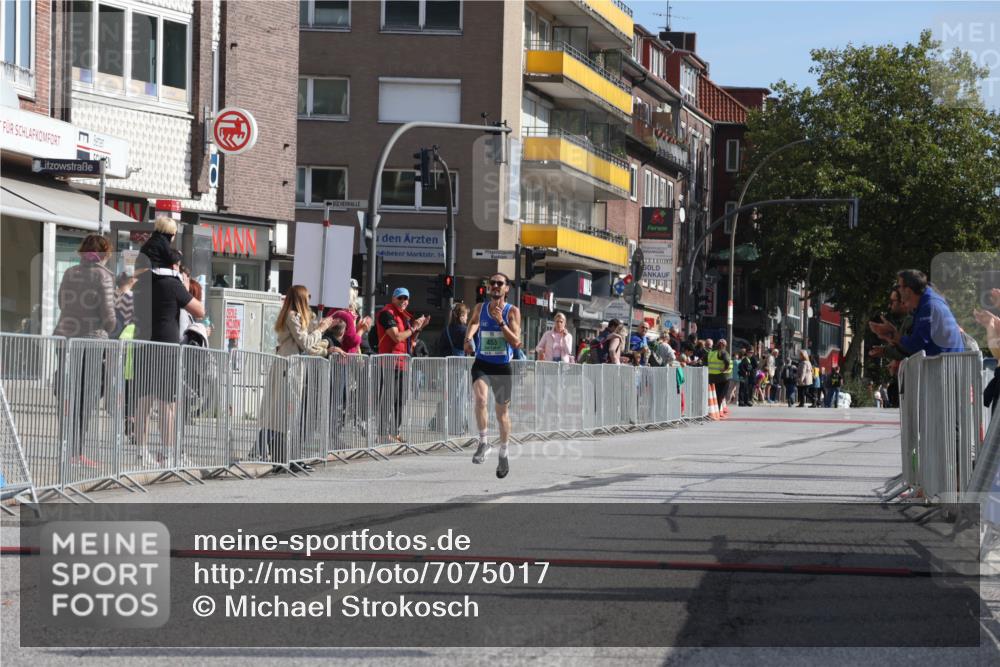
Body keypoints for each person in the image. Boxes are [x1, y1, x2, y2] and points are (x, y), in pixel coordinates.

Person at [132, 248, 205, 467]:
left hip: (143, 345)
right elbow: (199, 310)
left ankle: (141, 452)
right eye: (176, 265)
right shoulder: (172, 285)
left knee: (143, 402)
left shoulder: (143, 283)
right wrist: (184, 288)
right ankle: (168, 452)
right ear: (171, 266)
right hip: (165, 349)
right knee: (167, 404)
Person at [54, 234, 117, 468]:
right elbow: (108, 316)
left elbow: (62, 302)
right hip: (91, 341)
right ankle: (76, 453)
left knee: (68, 397)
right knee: (88, 397)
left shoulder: (70, 272)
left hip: (65, 339)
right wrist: (112, 327)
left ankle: (68, 451)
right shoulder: (104, 276)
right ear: (105, 253)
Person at [259, 286, 333, 471]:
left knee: (291, 415)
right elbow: (306, 342)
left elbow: (308, 339)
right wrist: (321, 329)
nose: (309, 299)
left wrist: (318, 325)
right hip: (289, 368)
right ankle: (283, 460)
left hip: (295, 367)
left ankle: (289, 459)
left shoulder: (298, 317)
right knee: (286, 414)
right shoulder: (292, 316)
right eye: (307, 296)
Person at [464, 273, 521, 479]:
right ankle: (483, 441)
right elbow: (473, 322)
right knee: (480, 399)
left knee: (501, 414)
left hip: (502, 367)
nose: (495, 286)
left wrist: (500, 323)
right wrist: (468, 337)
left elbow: (516, 342)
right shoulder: (480, 308)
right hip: (482, 363)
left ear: (506, 289)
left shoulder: (512, 311)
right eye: (492, 283)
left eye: (500, 283)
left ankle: (504, 452)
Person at [375, 287, 430, 443]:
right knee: (388, 399)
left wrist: (419, 328)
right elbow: (397, 337)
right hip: (389, 362)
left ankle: (394, 432)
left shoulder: (404, 317)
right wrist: (414, 328)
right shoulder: (387, 313)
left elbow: (409, 341)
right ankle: (382, 433)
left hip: (403, 363)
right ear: (393, 299)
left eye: (406, 298)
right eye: (400, 298)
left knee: (401, 398)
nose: (403, 301)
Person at [870, 269, 964, 357]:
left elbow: (916, 345)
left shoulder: (929, 307)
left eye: (898, 286)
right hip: (946, 365)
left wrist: (893, 334)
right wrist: (893, 336)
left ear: (908, 290)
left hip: (944, 369)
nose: (897, 290)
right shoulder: (929, 301)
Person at [707, 338, 732, 413]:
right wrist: (725, 369)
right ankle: (717, 410)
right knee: (721, 395)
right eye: (724, 345)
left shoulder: (711, 353)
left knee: (717, 394)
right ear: (723, 345)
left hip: (713, 377)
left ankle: (716, 410)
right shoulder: (722, 352)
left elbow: (704, 361)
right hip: (723, 377)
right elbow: (727, 361)